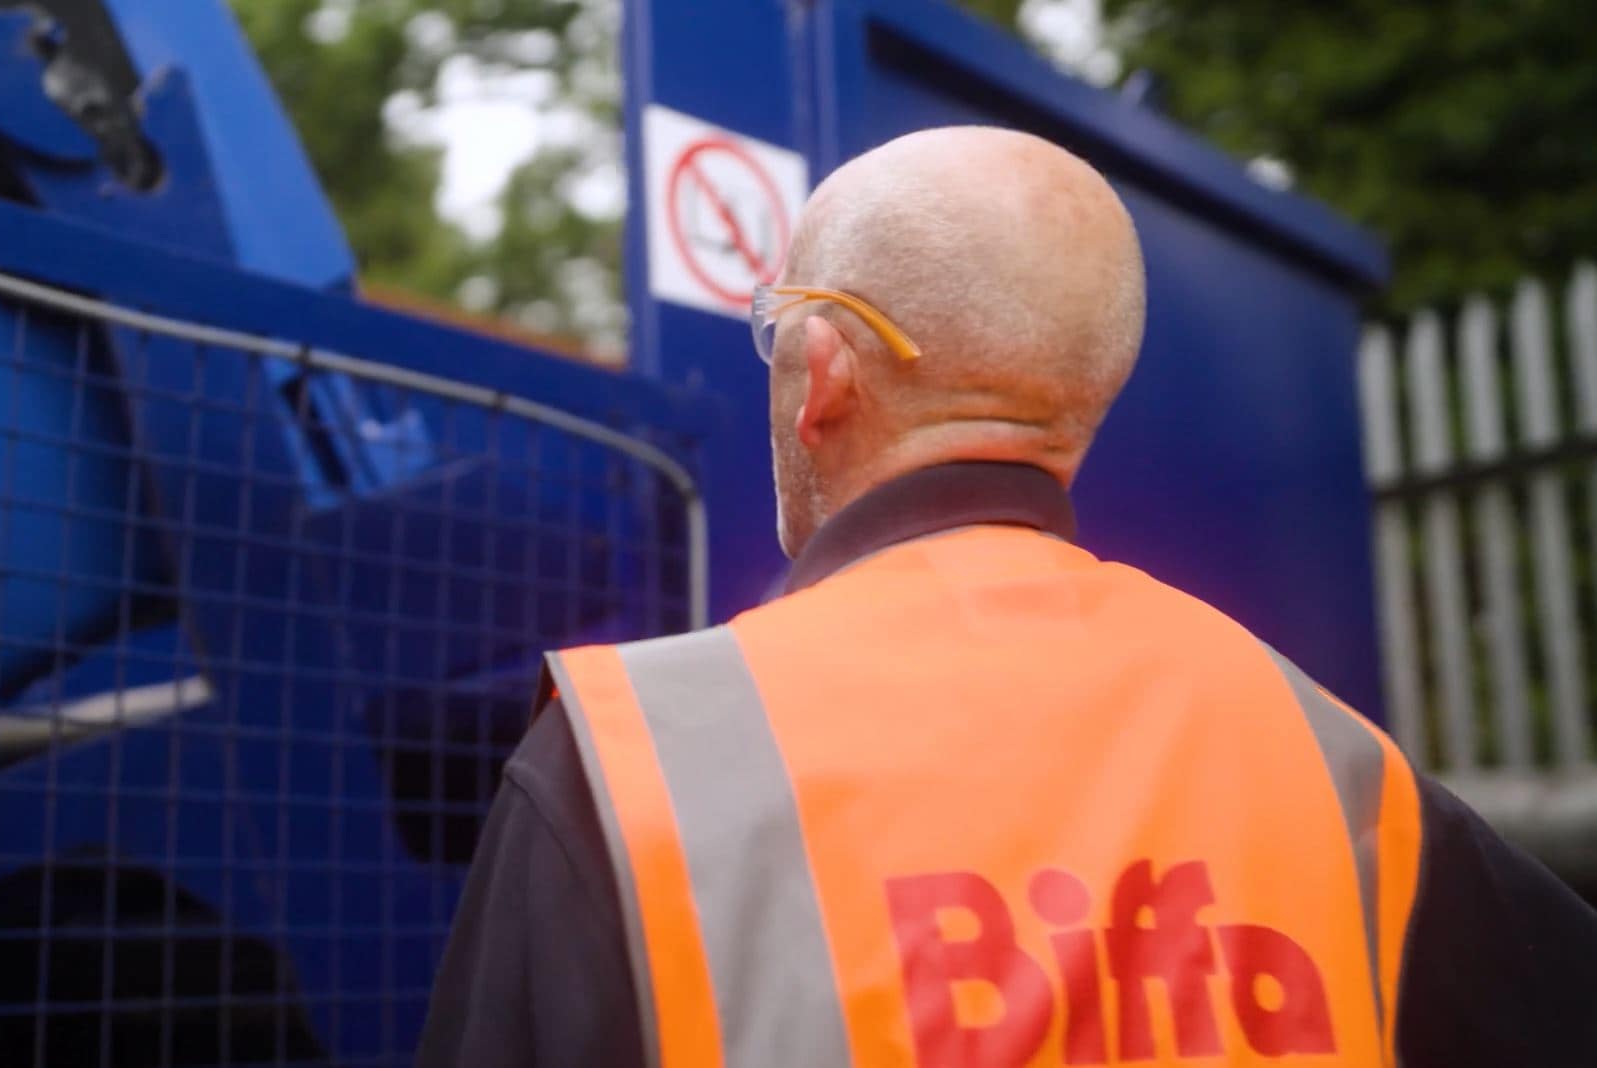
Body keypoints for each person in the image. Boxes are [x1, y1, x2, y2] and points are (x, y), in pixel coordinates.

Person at [415, 127, 1597, 1068]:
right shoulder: (1331, 761)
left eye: (775, 331)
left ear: (822, 374)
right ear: (1080, 394)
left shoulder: (624, 766)